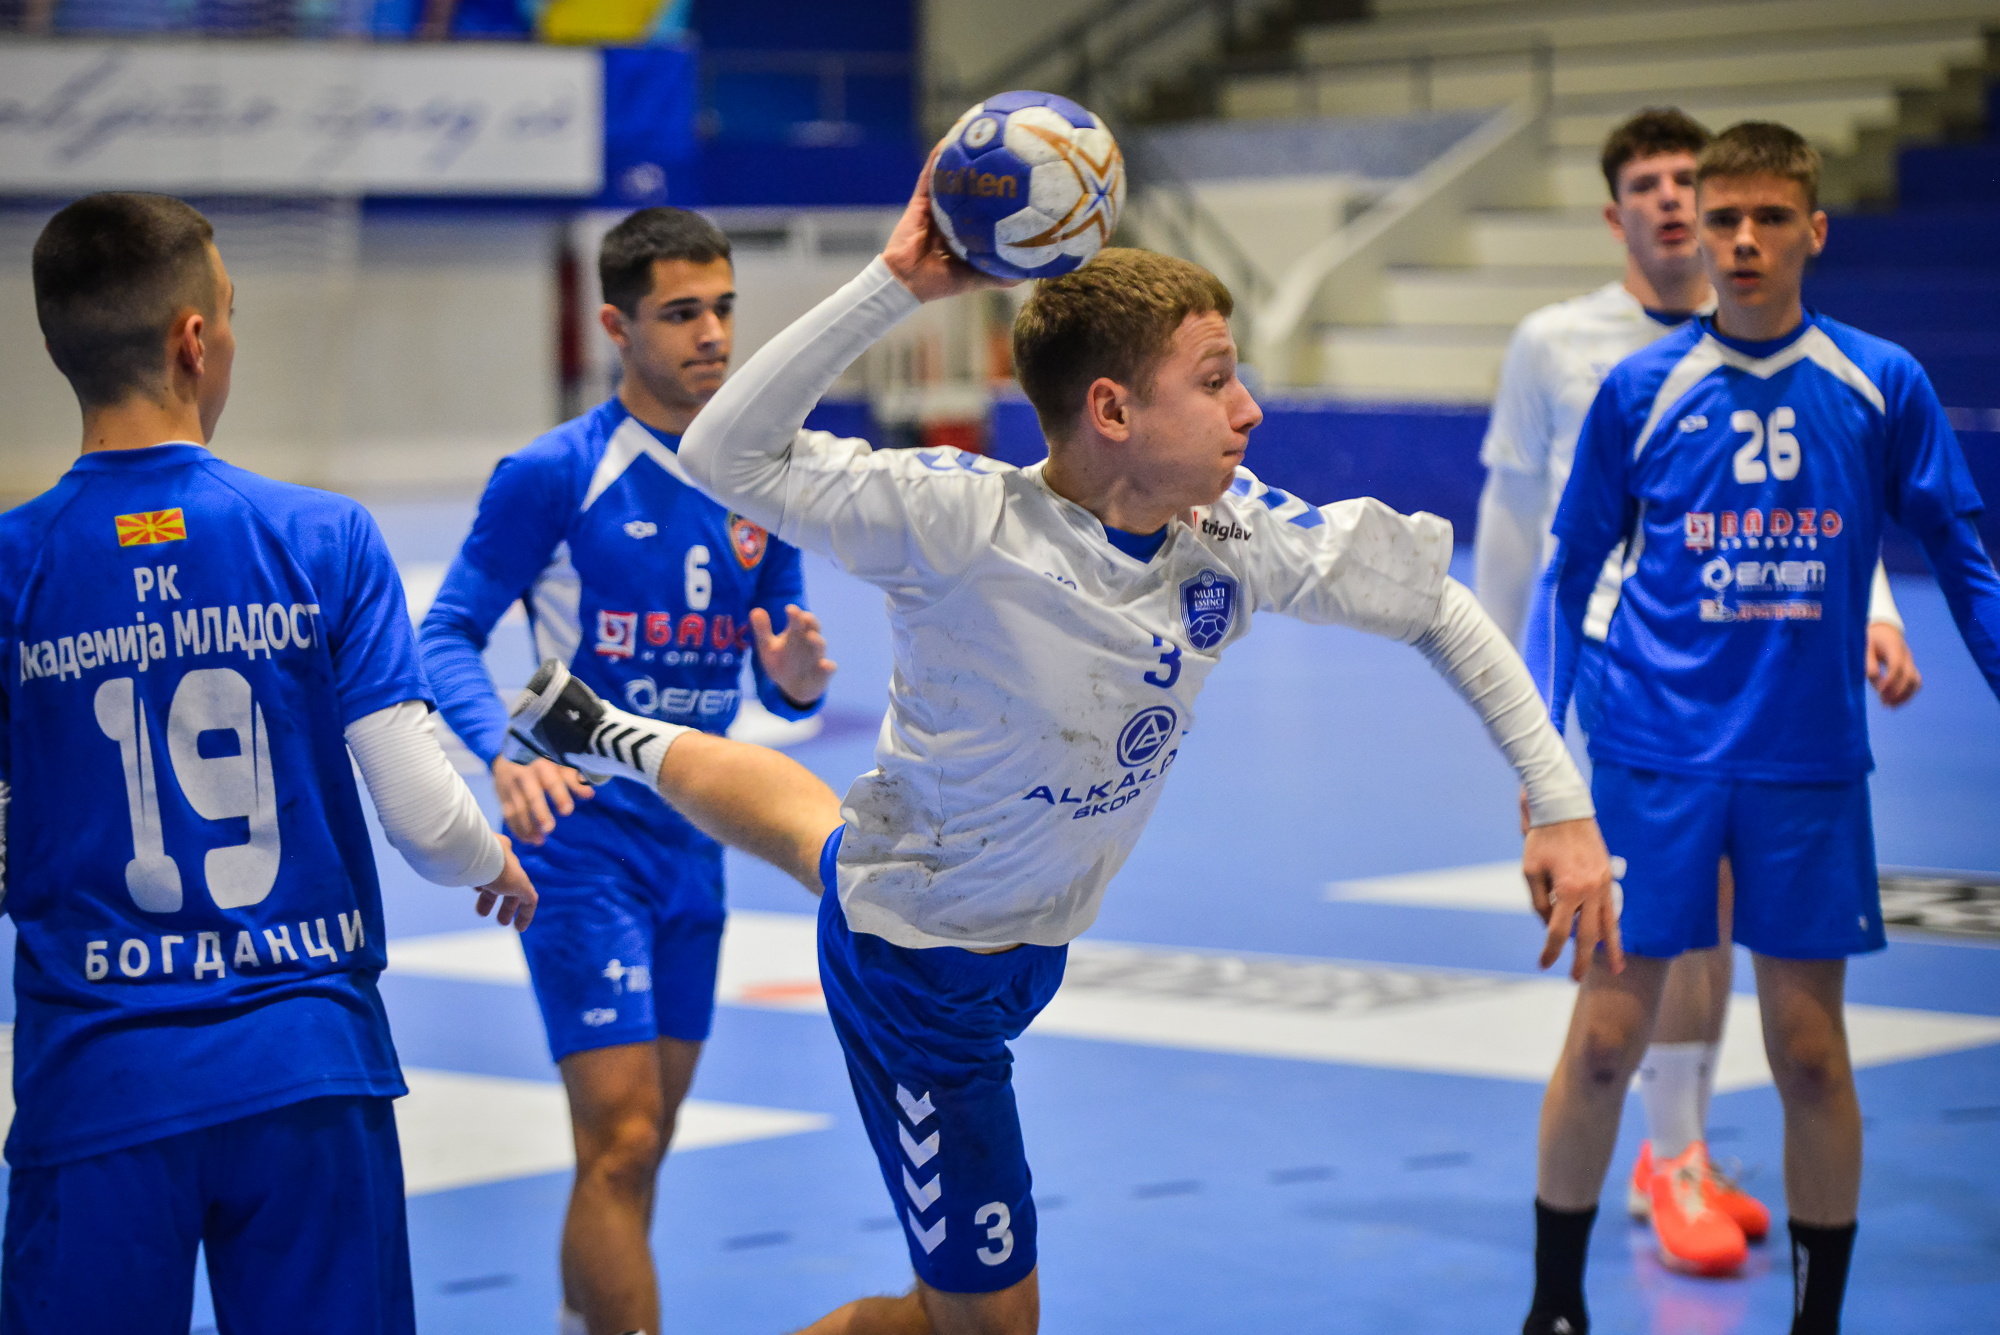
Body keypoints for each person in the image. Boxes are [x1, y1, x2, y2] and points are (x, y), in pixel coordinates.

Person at [503, 156, 1622, 1335]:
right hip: (919, 974)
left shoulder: (1231, 532)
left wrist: (1558, 802)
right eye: (1215, 382)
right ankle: (614, 734)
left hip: (1002, 926)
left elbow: (1433, 605)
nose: (1249, 411)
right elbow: (723, 455)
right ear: (1112, 412)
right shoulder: (959, 520)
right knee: (982, 1328)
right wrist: (896, 283)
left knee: (821, 838)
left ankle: (602, 729)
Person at [0, 192, 538, 1331]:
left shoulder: (15, 566)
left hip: (96, 1078)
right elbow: (421, 812)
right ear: (194, 340)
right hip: (305, 1063)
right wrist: (488, 857)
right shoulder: (320, 536)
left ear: (59, 350)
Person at [1521, 122, 2000, 1335]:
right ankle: (1553, 1310)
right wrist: (1541, 767)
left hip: (1805, 764)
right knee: (1602, 1042)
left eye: (1767, 218)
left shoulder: (1877, 382)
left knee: (1809, 1054)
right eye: (1722, 217)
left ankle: (1813, 1320)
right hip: (1653, 760)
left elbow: (1961, 558)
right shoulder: (1639, 389)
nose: (1740, 239)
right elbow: (1563, 576)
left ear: (1811, 230)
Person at [417, 206, 833, 1335]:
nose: (713, 334)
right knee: (622, 1135)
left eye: (723, 308)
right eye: (681, 312)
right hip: (582, 840)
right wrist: (504, 751)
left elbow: (785, 670)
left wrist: (796, 681)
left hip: (697, 841)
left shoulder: (760, 475)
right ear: (616, 325)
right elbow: (445, 632)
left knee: (643, 1145)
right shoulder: (554, 472)